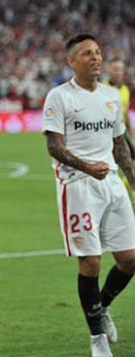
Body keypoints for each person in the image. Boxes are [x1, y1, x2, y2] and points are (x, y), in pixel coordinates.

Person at [42, 34, 135, 357]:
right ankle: (97, 339)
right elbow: (53, 146)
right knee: (91, 263)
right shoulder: (59, 97)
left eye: (97, 52)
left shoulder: (111, 97)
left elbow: (119, 144)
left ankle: (102, 306)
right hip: (78, 185)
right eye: (86, 53)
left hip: (111, 183)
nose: (95, 58)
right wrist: (86, 166)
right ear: (71, 61)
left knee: (130, 260)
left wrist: (132, 180)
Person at [104, 58, 134, 158]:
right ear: (108, 70)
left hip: (121, 132)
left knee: (132, 158)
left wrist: (132, 136)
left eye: (120, 69)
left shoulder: (125, 90)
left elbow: (125, 115)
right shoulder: (102, 89)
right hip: (105, 134)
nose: (118, 72)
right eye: (115, 69)